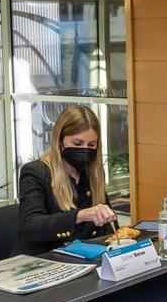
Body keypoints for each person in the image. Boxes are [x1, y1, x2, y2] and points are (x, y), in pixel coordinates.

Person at [14, 104, 118, 256]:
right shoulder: (36, 172)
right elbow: (30, 226)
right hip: (43, 259)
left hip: (83, 258)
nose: (85, 149)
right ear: (60, 141)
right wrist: (81, 215)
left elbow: (108, 228)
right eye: (77, 143)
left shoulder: (92, 173)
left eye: (91, 145)